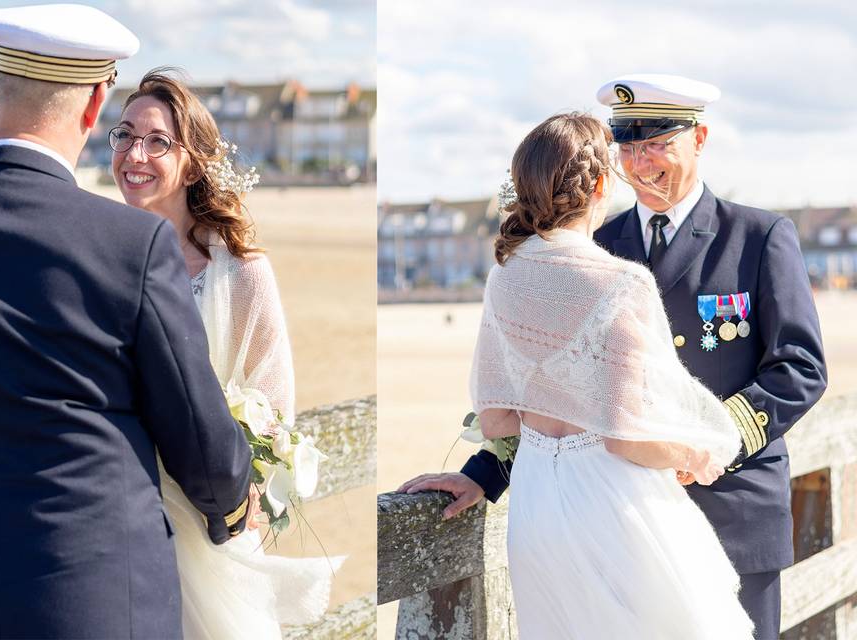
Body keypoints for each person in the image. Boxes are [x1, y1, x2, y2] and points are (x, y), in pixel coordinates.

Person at [400, 75, 827, 639]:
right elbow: (552, 383)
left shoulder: (759, 235)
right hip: (616, 524)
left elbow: (800, 366)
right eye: (628, 146)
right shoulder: (595, 243)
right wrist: (482, 475)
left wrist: (714, 439)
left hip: (733, 508)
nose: (640, 162)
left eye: (657, 144)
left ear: (699, 137)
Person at [0, 6, 252, 638]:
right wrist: (231, 500)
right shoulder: (131, 243)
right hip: (102, 596)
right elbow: (197, 434)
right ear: (95, 107)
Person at [110, 68, 340, 639]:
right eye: (124, 134)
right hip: (121, 523)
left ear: (191, 161)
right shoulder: (102, 257)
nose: (134, 154)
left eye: (157, 141)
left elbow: (273, 402)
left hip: (213, 521)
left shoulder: (240, 273)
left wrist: (244, 497)